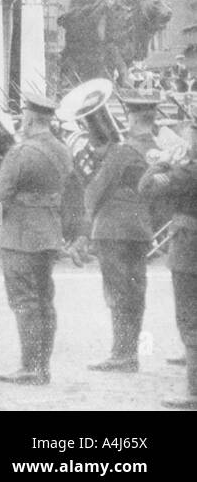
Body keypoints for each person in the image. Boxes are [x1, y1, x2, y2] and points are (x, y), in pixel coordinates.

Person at [0, 92, 74, 385]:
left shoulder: (20, 152)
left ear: (28, 118)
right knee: (44, 300)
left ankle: (29, 367)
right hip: (49, 232)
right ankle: (42, 367)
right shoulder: (63, 150)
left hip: (18, 236)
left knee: (24, 302)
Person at [82, 96, 159, 372]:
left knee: (117, 292)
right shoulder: (157, 149)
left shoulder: (122, 152)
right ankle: (130, 354)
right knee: (135, 291)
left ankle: (121, 354)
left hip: (113, 230)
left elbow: (96, 191)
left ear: (131, 119)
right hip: (141, 229)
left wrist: (87, 217)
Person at [138, 112, 197, 409]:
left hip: (190, 250)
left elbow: (145, 187)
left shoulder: (187, 173)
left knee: (190, 321)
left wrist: (164, 160)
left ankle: (194, 392)